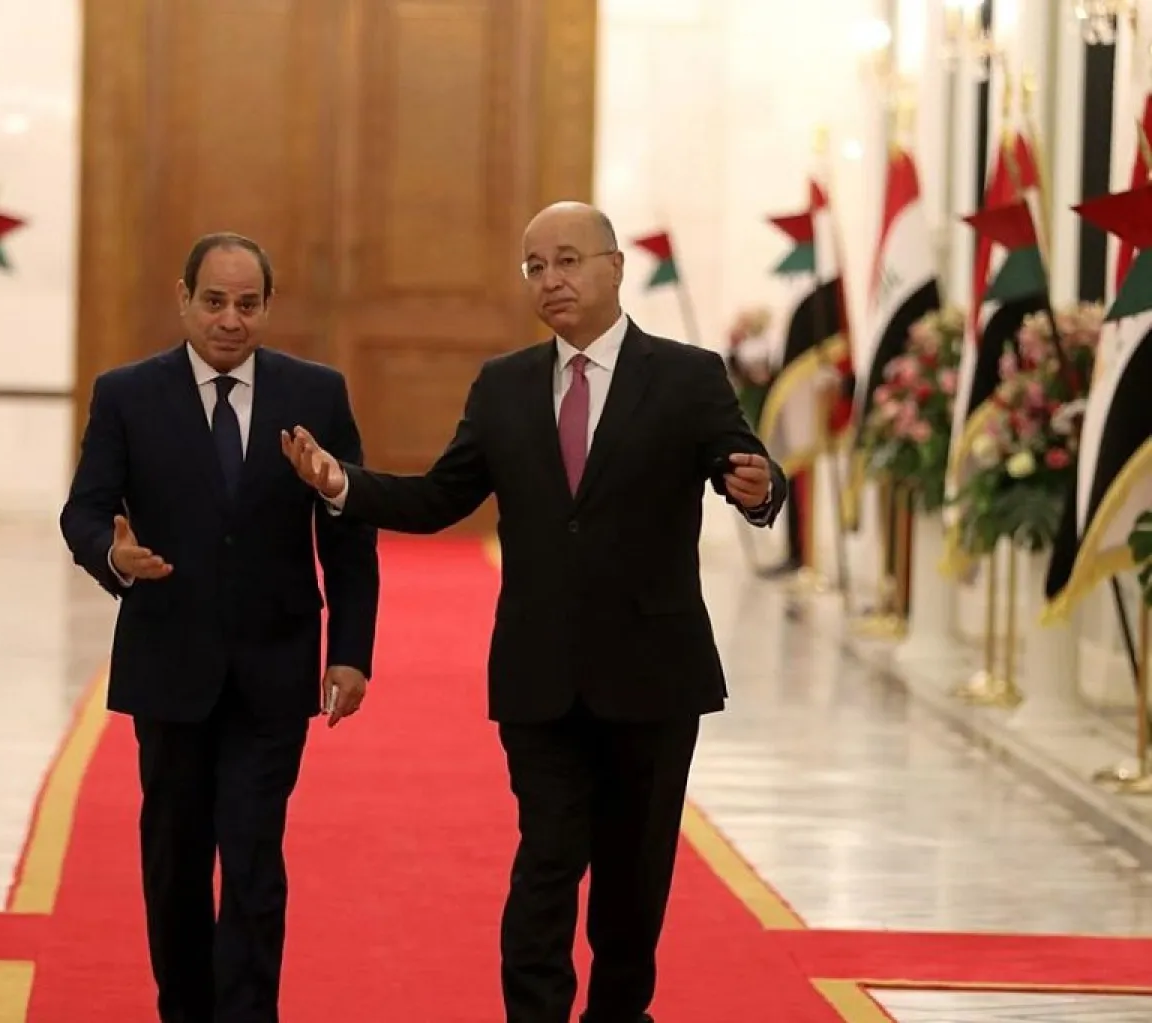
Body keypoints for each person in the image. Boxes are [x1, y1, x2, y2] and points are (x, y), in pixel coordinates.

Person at [280, 202, 786, 1023]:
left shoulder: (688, 376)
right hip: (539, 676)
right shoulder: (505, 384)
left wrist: (763, 490)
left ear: (614, 267)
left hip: (654, 675)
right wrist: (342, 484)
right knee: (548, 859)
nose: (551, 281)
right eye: (535, 267)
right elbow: (442, 495)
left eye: (568, 261)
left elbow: (747, 463)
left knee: (632, 877)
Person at [59, 232, 380, 1023]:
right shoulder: (128, 394)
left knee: (252, 859)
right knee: (174, 863)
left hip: (274, 668)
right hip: (170, 665)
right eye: (214, 301)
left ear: (267, 307)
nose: (230, 320)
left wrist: (351, 653)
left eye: (247, 303)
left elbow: (349, 529)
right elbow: (84, 508)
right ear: (183, 299)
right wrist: (112, 554)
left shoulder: (318, 394)